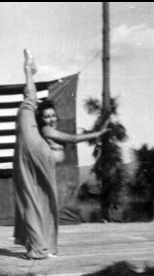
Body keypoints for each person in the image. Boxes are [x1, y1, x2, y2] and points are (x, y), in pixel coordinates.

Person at [13, 49, 107, 260]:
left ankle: (41, 245)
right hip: (36, 153)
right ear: (41, 119)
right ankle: (29, 69)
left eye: (53, 116)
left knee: (41, 204)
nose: (51, 120)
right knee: (29, 101)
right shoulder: (45, 131)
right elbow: (73, 139)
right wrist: (96, 133)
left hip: (38, 164)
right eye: (47, 116)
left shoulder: (43, 132)